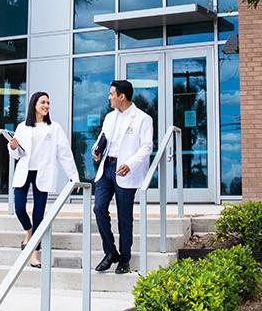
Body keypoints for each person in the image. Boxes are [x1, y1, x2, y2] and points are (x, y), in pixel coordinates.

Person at [8, 92, 80, 268]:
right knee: (19, 208)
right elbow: (16, 154)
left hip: (43, 172)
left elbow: (64, 153)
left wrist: (74, 176)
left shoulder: (54, 128)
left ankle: (35, 253)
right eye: (43, 102)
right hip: (25, 171)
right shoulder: (22, 127)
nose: (46, 105)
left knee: (39, 214)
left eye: (48, 102)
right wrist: (12, 147)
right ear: (34, 105)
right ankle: (29, 232)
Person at [91, 80, 153, 274]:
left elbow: (147, 147)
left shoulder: (143, 119)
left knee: (124, 217)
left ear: (121, 96)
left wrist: (131, 164)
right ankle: (111, 253)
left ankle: (124, 259)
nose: (109, 97)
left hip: (125, 170)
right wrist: (95, 150)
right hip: (107, 167)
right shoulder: (109, 117)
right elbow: (102, 137)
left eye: (111, 94)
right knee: (99, 208)